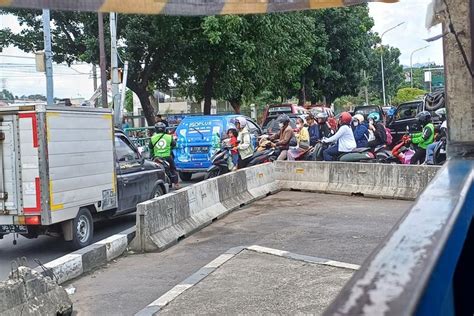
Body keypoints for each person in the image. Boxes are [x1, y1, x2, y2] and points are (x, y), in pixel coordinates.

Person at [149, 122, 179, 188]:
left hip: (157, 158)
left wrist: (152, 155)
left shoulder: (152, 138)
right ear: (164, 129)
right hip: (167, 156)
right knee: (173, 169)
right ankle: (176, 184)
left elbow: (150, 148)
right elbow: (175, 145)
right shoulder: (169, 137)